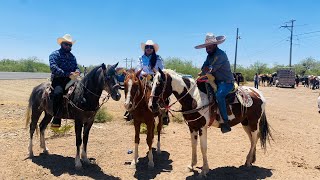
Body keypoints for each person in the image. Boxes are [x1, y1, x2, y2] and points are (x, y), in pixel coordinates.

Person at [195, 33, 234, 133]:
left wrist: (205, 70)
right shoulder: (209, 56)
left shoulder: (220, 55)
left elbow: (210, 69)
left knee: (219, 95)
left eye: (209, 46)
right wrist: (203, 71)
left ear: (215, 45)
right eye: (206, 46)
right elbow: (203, 67)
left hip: (226, 82)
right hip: (215, 81)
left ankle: (225, 122)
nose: (207, 48)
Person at [49, 34, 80, 128]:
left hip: (71, 79)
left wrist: (78, 71)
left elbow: (76, 67)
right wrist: (67, 74)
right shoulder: (54, 54)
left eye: (70, 45)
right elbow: (53, 67)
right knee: (58, 93)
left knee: (82, 91)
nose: (69, 46)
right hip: (59, 79)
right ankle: (56, 117)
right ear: (61, 44)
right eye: (66, 44)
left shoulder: (72, 57)